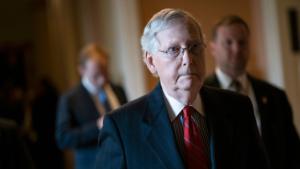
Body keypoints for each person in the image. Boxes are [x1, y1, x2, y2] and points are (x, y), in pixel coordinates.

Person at [96, 8, 269, 169]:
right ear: (151, 62)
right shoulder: (122, 127)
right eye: (174, 49)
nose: (188, 59)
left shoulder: (239, 108)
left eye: (194, 47)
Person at [204, 15, 300, 169]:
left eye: (242, 43)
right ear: (213, 48)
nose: (236, 49)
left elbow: (293, 153)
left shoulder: (275, 96)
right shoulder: (199, 95)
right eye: (228, 43)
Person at [56, 43, 128, 169]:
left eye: (105, 72)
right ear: (81, 70)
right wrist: (97, 126)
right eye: (96, 75)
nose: (102, 80)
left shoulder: (118, 90)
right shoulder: (69, 99)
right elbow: (63, 139)